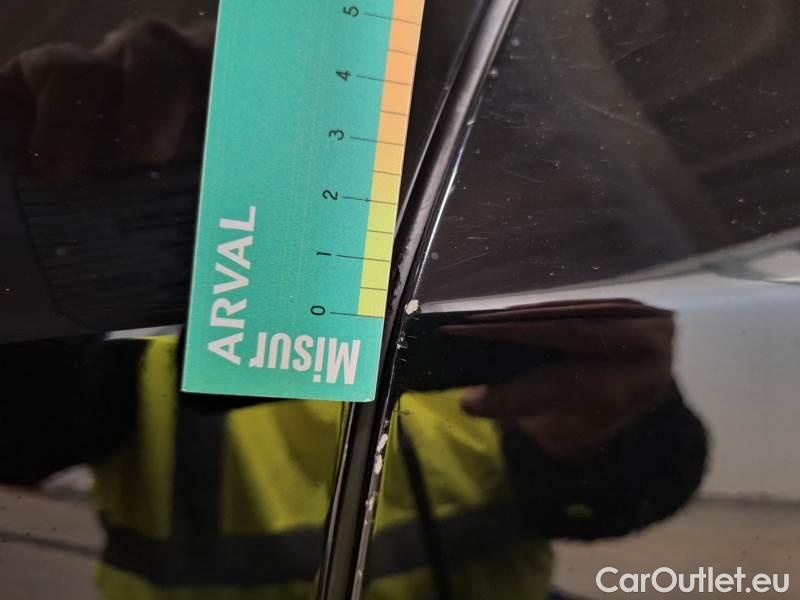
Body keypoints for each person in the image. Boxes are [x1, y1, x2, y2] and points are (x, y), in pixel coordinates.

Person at [0, 16, 707, 600]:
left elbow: (616, 502)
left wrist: (617, 425)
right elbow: (26, 437)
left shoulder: (531, 286)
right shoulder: (156, 308)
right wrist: (27, 241)